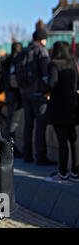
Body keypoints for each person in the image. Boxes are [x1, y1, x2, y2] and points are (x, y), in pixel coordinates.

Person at [19, 27, 56, 165]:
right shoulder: (41, 51)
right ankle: (41, 156)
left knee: (28, 125)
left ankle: (27, 154)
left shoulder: (25, 51)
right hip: (38, 93)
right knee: (40, 126)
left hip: (24, 93)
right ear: (42, 39)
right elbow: (46, 74)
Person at [44, 41, 79, 183]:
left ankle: (62, 173)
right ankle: (75, 172)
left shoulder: (54, 64)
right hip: (73, 106)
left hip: (58, 107)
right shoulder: (73, 64)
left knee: (62, 141)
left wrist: (44, 89)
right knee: (74, 140)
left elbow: (52, 83)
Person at [0, 42, 24, 157]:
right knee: (13, 122)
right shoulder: (17, 61)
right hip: (16, 94)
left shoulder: (7, 61)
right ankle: (10, 147)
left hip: (8, 94)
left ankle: (7, 146)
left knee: (10, 121)